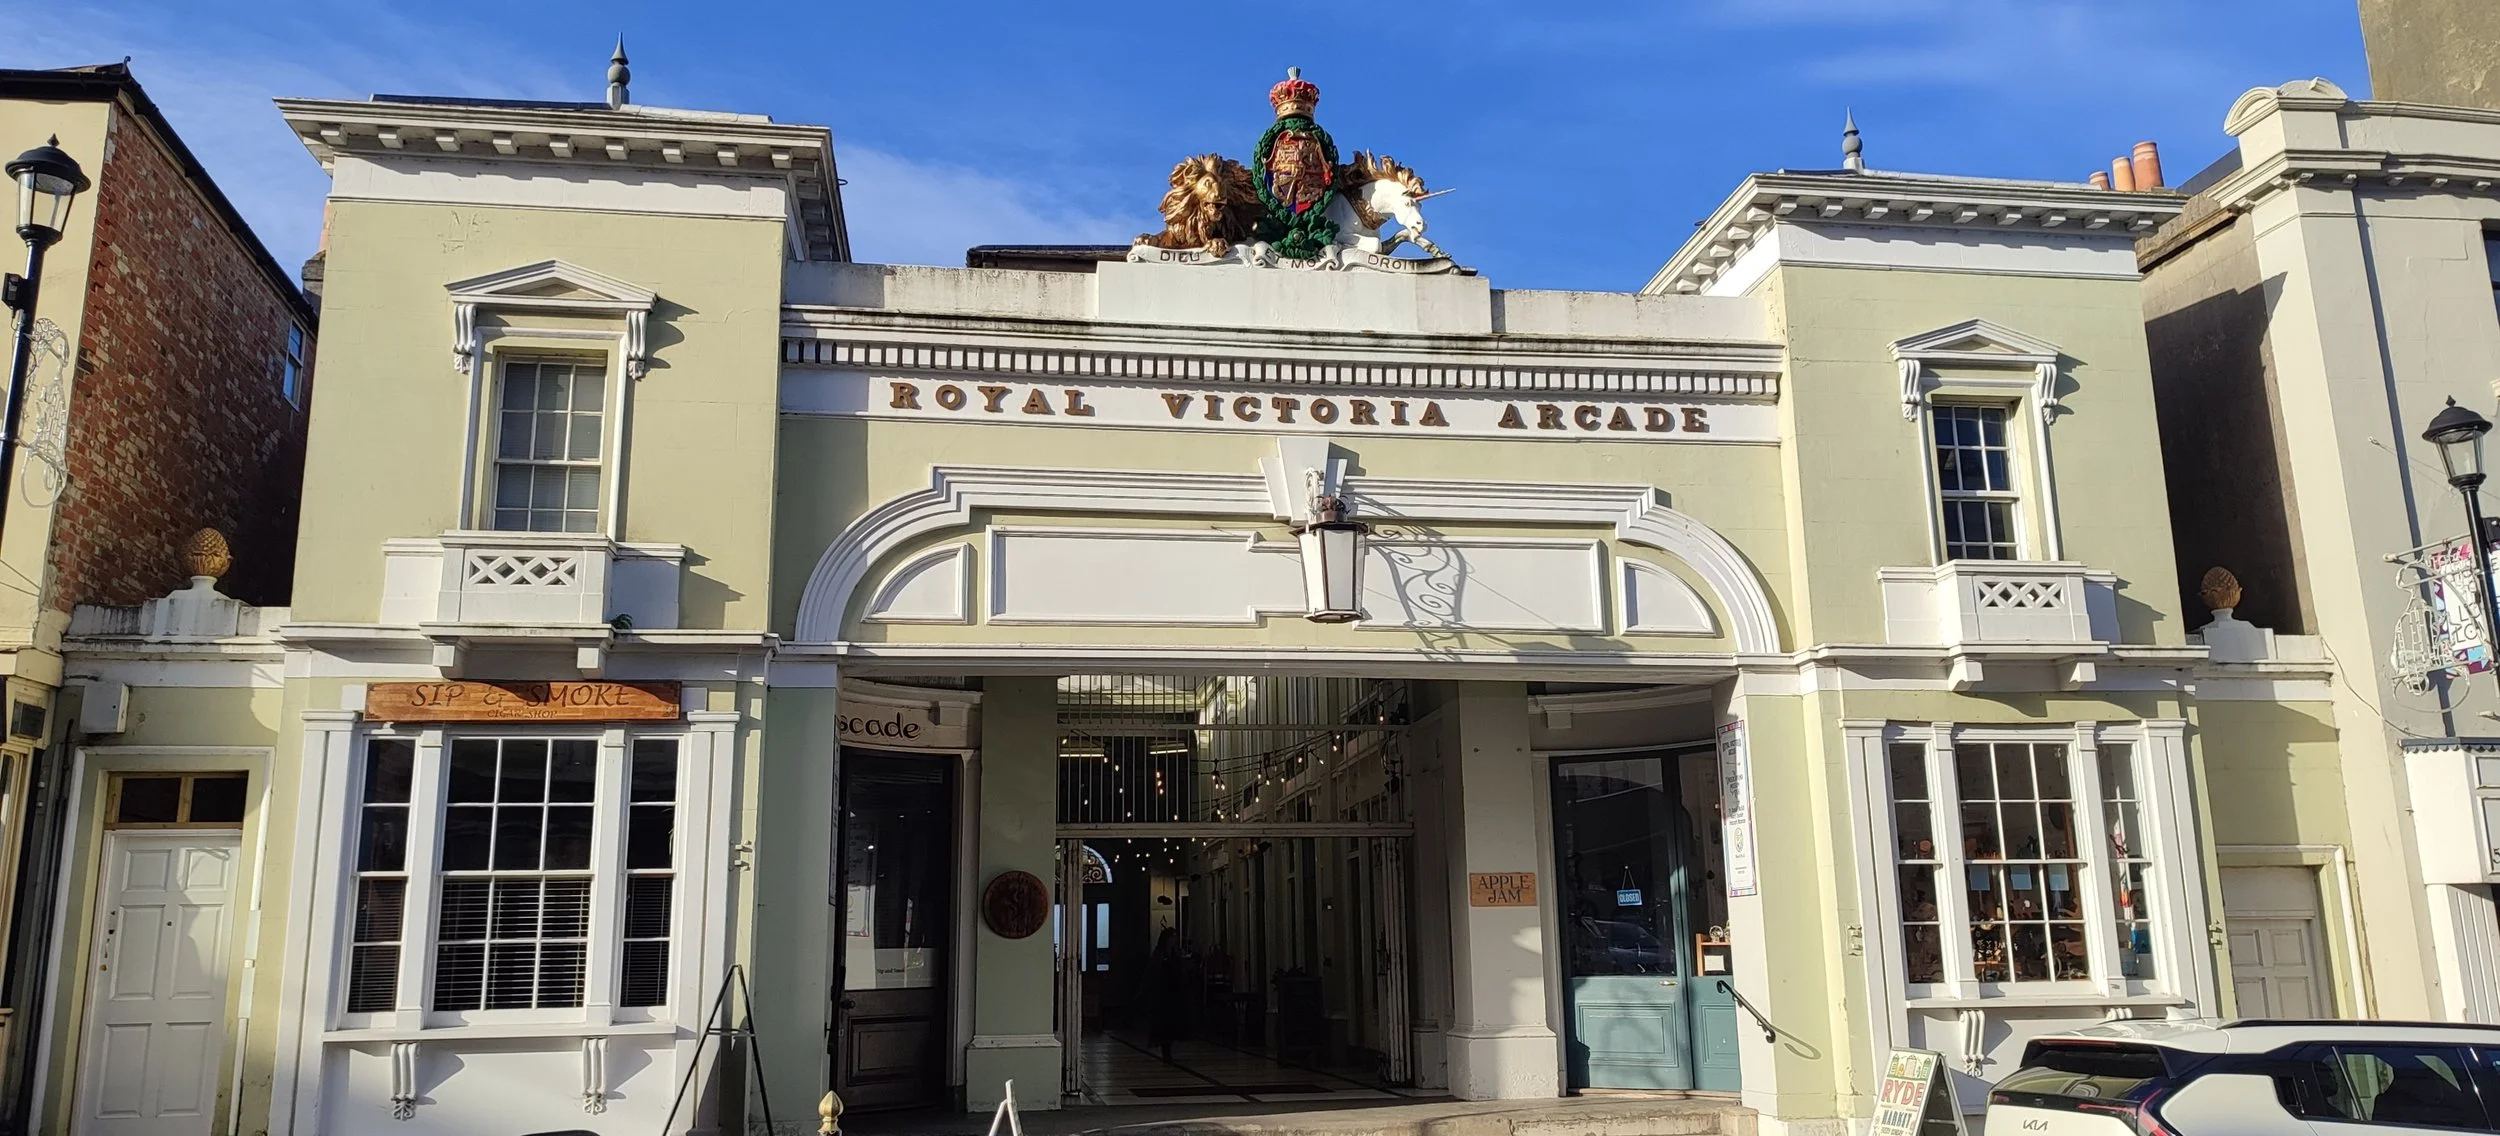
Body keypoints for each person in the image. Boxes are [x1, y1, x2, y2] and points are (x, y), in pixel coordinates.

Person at [1142, 927, 1190, 1062]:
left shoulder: (1175, 954)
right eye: (1172, 937)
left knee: (1171, 1023)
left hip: (1174, 993)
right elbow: (1153, 972)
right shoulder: (1159, 954)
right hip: (1162, 994)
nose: (1174, 940)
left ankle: (1168, 1048)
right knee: (1163, 1024)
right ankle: (1166, 1051)